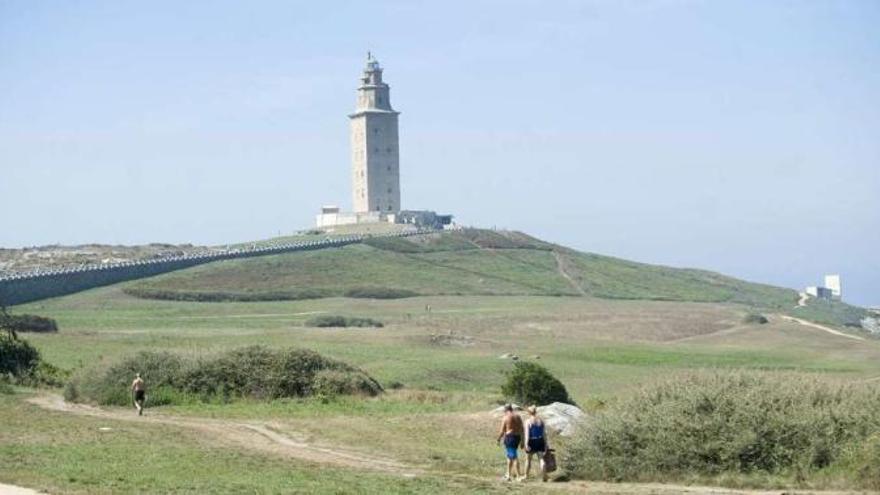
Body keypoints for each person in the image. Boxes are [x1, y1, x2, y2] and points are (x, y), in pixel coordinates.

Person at [496, 404, 524, 481]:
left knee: (514, 457)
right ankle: (508, 474)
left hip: (510, 438)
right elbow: (522, 429)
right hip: (517, 438)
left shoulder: (506, 417)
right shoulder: (518, 416)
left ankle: (518, 476)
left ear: (506, 409)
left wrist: (498, 439)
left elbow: (502, 431)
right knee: (509, 456)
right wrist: (522, 441)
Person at [524, 405, 550, 481]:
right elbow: (544, 434)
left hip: (531, 441)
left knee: (528, 459)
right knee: (541, 459)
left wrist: (526, 444)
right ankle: (544, 476)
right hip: (540, 440)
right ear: (536, 412)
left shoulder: (528, 421)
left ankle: (526, 476)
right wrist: (546, 444)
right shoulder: (541, 421)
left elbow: (527, 434)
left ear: (529, 412)